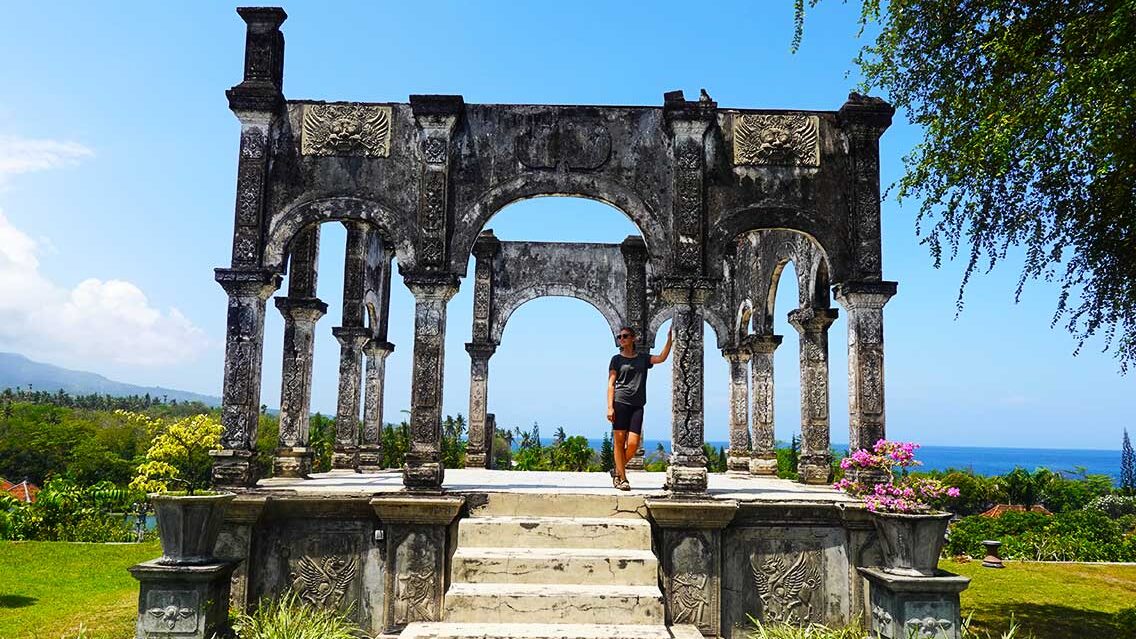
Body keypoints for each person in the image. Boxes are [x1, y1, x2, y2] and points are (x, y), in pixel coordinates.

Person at [607, 325, 672, 490]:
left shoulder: (643, 358)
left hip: (637, 405)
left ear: (634, 338)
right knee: (619, 443)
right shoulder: (616, 359)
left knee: (634, 444)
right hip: (620, 402)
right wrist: (610, 407)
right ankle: (622, 479)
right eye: (620, 337)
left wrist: (670, 339)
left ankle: (617, 470)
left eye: (625, 336)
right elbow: (611, 384)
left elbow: (662, 358)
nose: (622, 339)